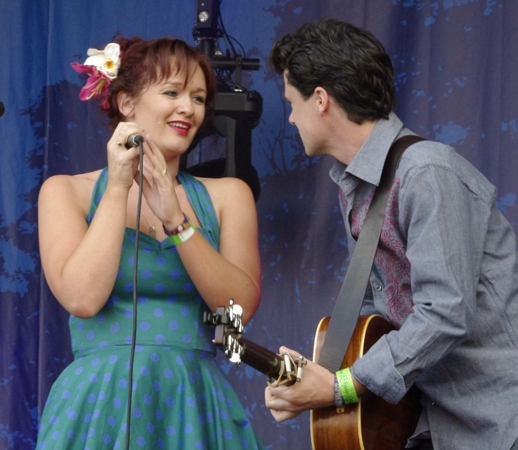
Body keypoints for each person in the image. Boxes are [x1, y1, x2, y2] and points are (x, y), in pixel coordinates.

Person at [264, 17, 518, 450]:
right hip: (429, 417)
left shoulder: (426, 173)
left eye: (292, 101)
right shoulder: (355, 185)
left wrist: (340, 387)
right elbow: (376, 315)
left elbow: (445, 313)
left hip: (492, 419)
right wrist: (322, 372)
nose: (290, 118)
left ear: (321, 99)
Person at [36, 36, 264, 449]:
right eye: (172, 92)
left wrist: (177, 221)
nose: (188, 109)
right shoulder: (66, 191)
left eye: (198, 98)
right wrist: (119, 186)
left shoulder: (229, 195)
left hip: (191, 404)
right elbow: (82, 298)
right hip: (97, 405)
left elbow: (237, 312)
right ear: (126, 103)